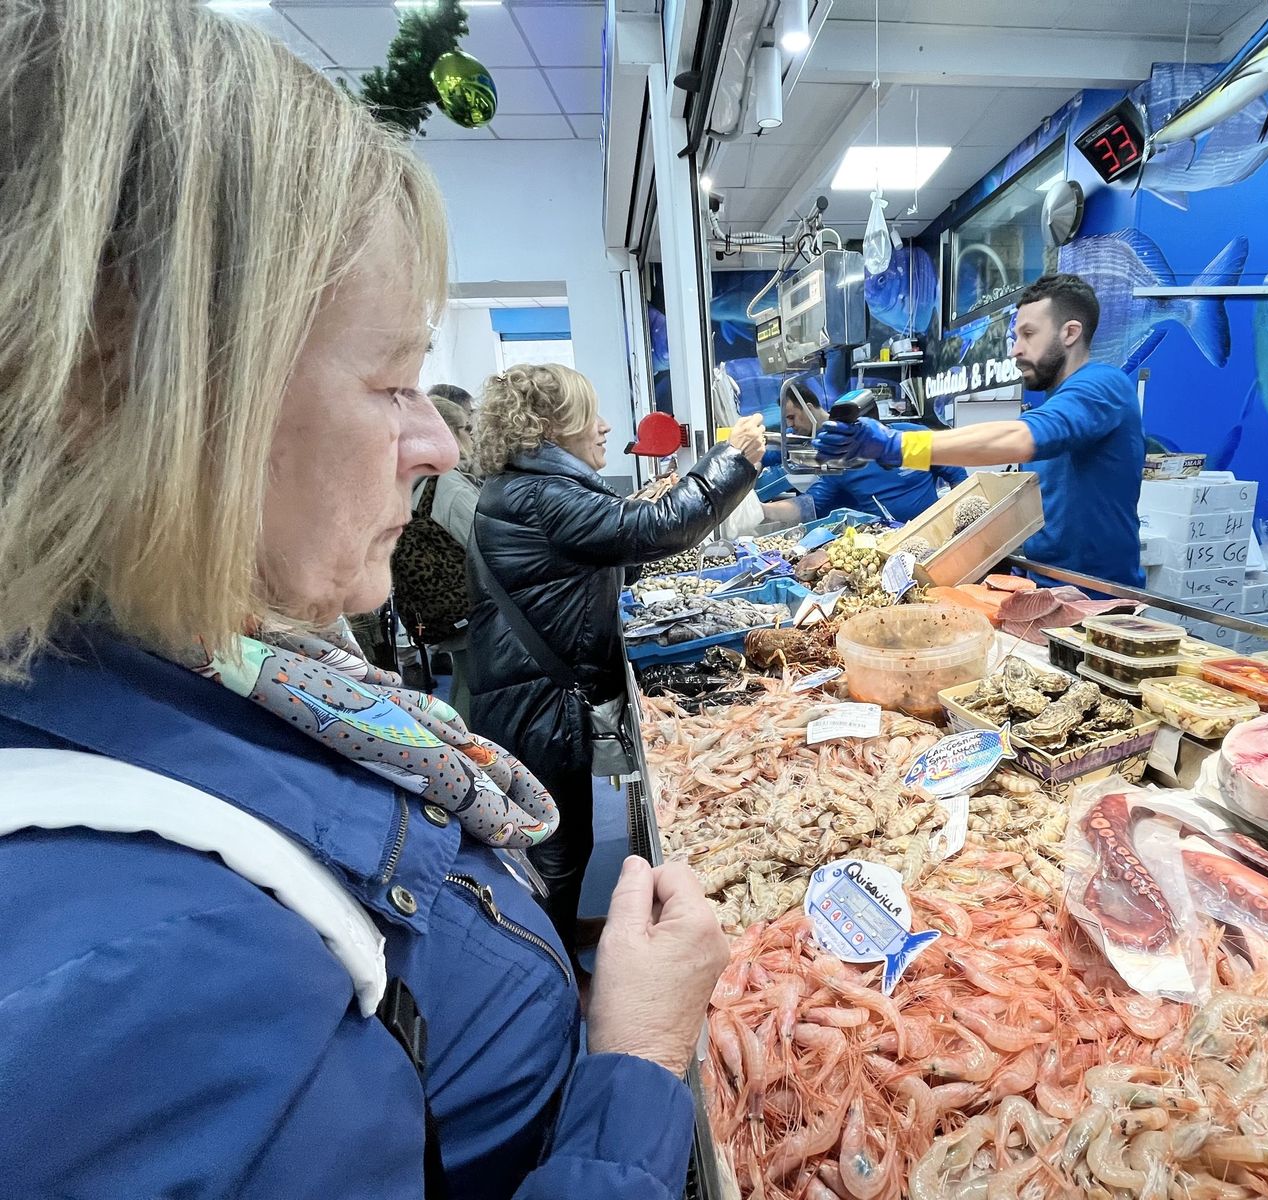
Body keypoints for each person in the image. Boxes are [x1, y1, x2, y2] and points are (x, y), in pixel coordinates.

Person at [0, 5, 725, 1197]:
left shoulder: (208, 669)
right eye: (392, 380)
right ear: (119, 389)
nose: (440, 440)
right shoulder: (141, 968)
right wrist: (636, 1059)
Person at [467, 364, 765, 948]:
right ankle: (549, 979)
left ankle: (560, 943)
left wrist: (639, 510)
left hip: (526, 696)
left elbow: (613, 549)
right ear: (549, 427)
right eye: (588, 414)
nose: (605, 427)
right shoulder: (540, 497)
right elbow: (664, 528)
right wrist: (735, 460)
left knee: (556, 845)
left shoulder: (530, 491)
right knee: (552, 851)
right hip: (538, 706)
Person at [816, 273, 1146, 588]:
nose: (1015, 349)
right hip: (1043, 582)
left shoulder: (1104, 386)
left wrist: (897, 445)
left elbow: (1020, 439)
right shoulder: (1055, 400)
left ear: (1070, 333)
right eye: (1016, 336)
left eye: (1028, 334)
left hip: (1099, 598)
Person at [760, 381, 967, 524]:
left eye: (853, 428)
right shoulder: (842, 461)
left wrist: (958, 522)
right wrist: (762, 511)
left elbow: (958, 477)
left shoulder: (910, 438)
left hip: (934, 532)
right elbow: (810, 505)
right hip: (884, 543)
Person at [392, 396, 480, 719]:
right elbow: (485, 548)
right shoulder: (453, 490)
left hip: (436, 612)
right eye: (467, 429)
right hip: (467, 608)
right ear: (449, 433)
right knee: (474, 682)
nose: (473, 438)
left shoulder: (414, 486)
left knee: (464, 677)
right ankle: (472, 754)